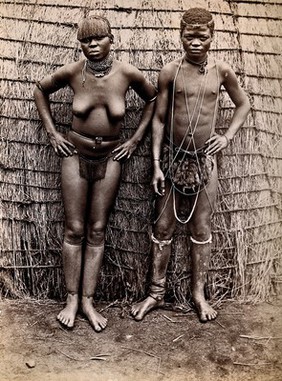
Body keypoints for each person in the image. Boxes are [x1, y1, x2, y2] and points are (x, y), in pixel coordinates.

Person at [34, 15, 156, 331]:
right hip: (75, 153)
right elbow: (40, 91)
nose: (91, 45)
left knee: (98, 228)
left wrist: (135, 139)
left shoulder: (127, 73)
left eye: (98, 39)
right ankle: (72, 298)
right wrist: (53, 133)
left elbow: (153, 98)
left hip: (111, 157)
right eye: (86, 41)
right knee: (74, 228)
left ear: (111, 39)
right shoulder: (74, 72)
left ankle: (88, 300)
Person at [131, 8, 250, 323]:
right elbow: (158, 119)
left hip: (204, 161)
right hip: (171, 158)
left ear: (212, 36)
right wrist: (156, 164)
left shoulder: (222, 71)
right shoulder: (170, 71)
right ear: (180, 36)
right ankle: (155, 293)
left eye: (202, 36)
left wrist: (226, 136)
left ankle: (199, 294)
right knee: (162, 227)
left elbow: (243, 104)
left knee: (201, 228)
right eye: (189, 36)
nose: (195, 42)